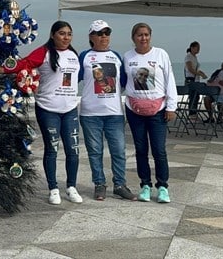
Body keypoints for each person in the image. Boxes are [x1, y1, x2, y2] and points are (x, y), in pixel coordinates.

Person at [0, 20, 82, 205]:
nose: (66, 37)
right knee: (52, 149)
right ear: (53, 35)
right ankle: (53, 188)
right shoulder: (45, 52)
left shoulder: (73, 54)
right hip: (48, 109)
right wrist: (0, 69)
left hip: (70, 109)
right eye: (62, 33)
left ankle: (71, 187)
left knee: (73, 150)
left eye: (69, 34)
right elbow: (24, 64)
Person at [78, 20, 136, 201]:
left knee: (118, 150)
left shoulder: (117, 56)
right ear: (91, 37)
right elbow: (72, 78)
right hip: (90, 114)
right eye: (99, 33)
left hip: (114, 114)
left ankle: (120, 184)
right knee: (95, 151)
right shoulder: (84, 56)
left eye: (107, 32)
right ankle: (99, 184)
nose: (104, 36)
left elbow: (125, 82)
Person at [123, 22, 177, 203]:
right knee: (140, 149)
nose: (143, 38)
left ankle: (162, 187)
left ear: (150, 36)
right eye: (139, 35)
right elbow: (123, 83)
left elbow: (170, 80)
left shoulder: (161, 54)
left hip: (158, 111)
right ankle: (145, 185)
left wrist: (171, 106)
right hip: (134, 111)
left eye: (146, 34)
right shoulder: (127, 57)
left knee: (159, 150)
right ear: (133, 38)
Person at [184, 41, 208, 116]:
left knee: (196, 96)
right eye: (197, 48)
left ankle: (194, 112)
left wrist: (202, 74)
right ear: (192, 48)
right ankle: (192, 113)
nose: (198, 50)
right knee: (193, 97)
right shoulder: (188, 56)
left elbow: (195, 69)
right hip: (191, 79)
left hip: (196, 79)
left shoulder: (194, 57)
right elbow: (190, 69)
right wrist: (199, 74)